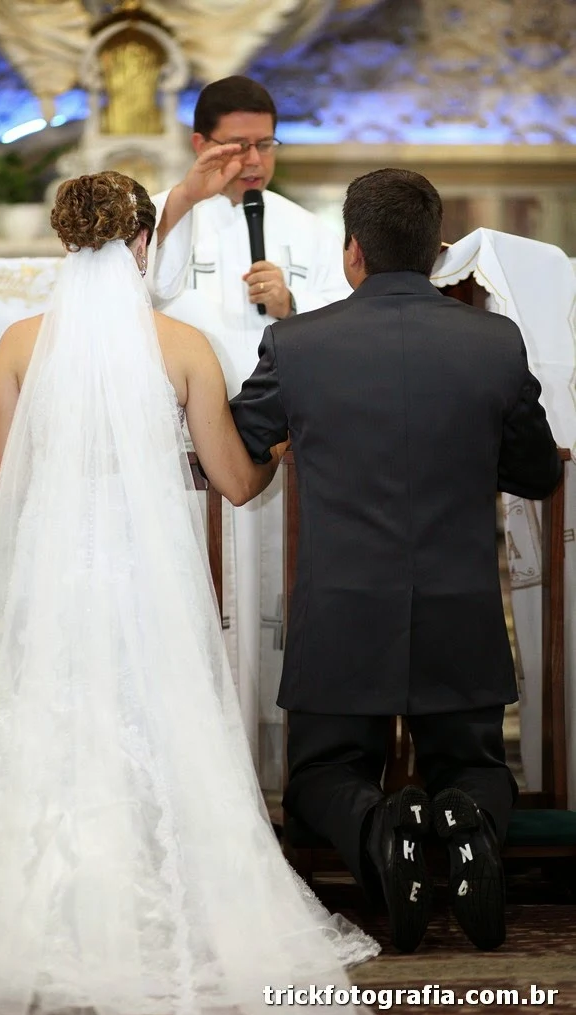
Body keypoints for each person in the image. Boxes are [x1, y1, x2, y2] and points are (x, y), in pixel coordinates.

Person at [0, 172, 378, 1015]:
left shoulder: (17, 346)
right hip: (147, 577)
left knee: (47, 716)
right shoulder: (183, 346)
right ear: (143, 244)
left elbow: (13, 489)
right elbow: (235, 483)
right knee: (159, 722)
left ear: (65, 243)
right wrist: (276, 446)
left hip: (57, 574)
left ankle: (34, 901)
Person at [230, 167, 563, 956]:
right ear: (435, 252)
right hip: (458, 603)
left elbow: (240, 443)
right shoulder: (493, 341)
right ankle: (463, 820)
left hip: (342, 609)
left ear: (352, 250)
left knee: (321, 778)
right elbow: (536, 474)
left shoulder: (297, 344)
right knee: (475, 766)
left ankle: (382, 826)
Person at [150, 75, 349, 780]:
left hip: (279, 449)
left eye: (266, 143)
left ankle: (269, 765)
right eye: (237, 145)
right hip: (188, 452)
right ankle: (193, 762)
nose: (254, 160)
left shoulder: (308, 229)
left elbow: (346, 326)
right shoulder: (172, 214)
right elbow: (134, 289)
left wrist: (292, 306)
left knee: (272, 604)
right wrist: (183, 198)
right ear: (200, 143)